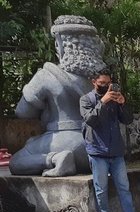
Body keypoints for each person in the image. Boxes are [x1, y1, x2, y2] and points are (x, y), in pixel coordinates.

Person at [10, 15, 106, 176]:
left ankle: (55, 159)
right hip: (98, 146)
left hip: (65, 141)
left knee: (16, 161)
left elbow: (22, 112)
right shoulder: (102, 79)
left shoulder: (47, 75)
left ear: (61, 45)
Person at [80, 69, 140, 212]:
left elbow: (127, 119)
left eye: (107, 83)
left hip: (116, 151)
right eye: (102, 83)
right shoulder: (85, 100)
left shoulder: (114, 99)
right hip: (97, 152)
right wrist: (103, 102)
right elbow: (90, 120)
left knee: (124, 187)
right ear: (93, 82)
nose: (105, 87)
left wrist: (122, 103)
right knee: (101, 188)